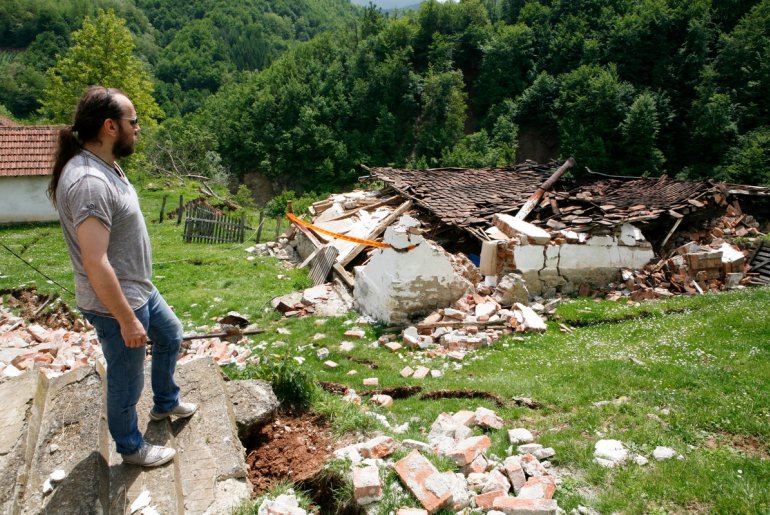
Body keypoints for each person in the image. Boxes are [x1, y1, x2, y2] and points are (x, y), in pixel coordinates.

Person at [48, 86, 197, 467]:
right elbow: (95, 261)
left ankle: (165, 403)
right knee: (126, 380)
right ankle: (131, 448)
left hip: (138, 288)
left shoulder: (106, 164)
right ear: (110, 126)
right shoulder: (88, 183)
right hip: (118, 302)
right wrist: (126, 319)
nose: (139, 128)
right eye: (134, 122)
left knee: (171, 334)